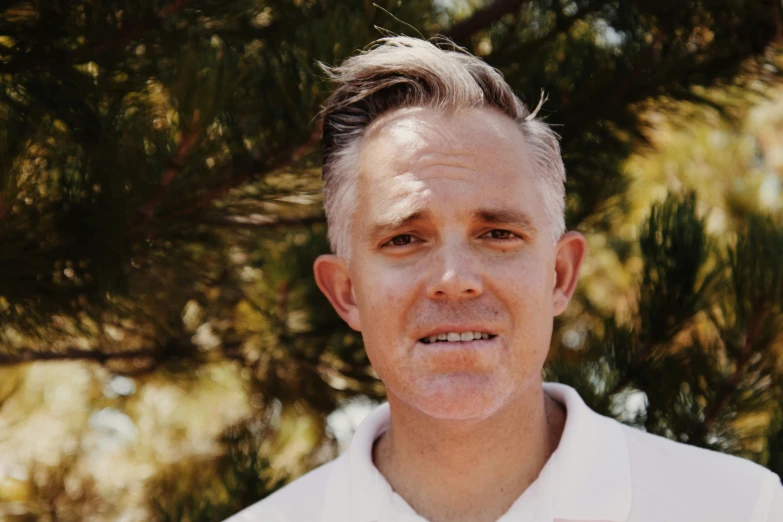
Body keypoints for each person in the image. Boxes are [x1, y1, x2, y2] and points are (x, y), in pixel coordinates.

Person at [224, 36, 783, 522]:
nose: (454, 280)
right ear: (346, 293)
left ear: (561, 274)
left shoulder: (737, 509)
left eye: (497, 234)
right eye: (403, 239)